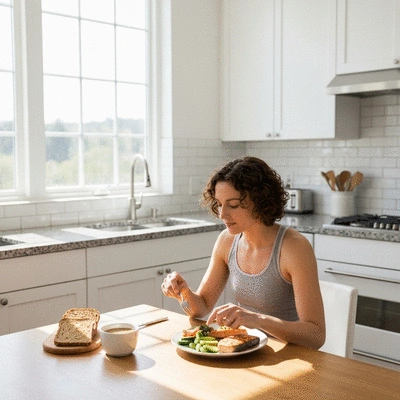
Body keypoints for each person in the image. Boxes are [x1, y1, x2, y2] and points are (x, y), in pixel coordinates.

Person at [161, 156, 325, 349]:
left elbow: (316, 335)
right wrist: (183, 293)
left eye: (233, 205)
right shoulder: (227, 240)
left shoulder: (294, 248)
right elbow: (202, 307)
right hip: (246, 349)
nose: (222, 215)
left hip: (291, 356)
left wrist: (257, 320)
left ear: (259, 200)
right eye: (220, 204)